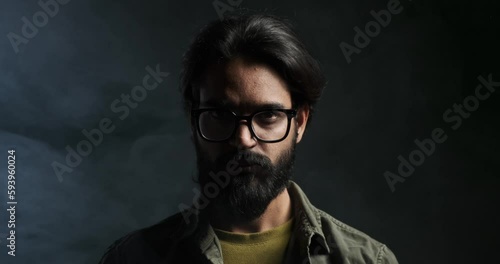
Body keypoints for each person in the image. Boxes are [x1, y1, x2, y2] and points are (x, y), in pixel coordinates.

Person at [99, 13, 399, 264]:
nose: (243, 139)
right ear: (193, 119)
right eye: (219, 115)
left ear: (301, 122)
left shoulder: (367, 261)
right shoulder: (131, 259)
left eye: (267, 116)